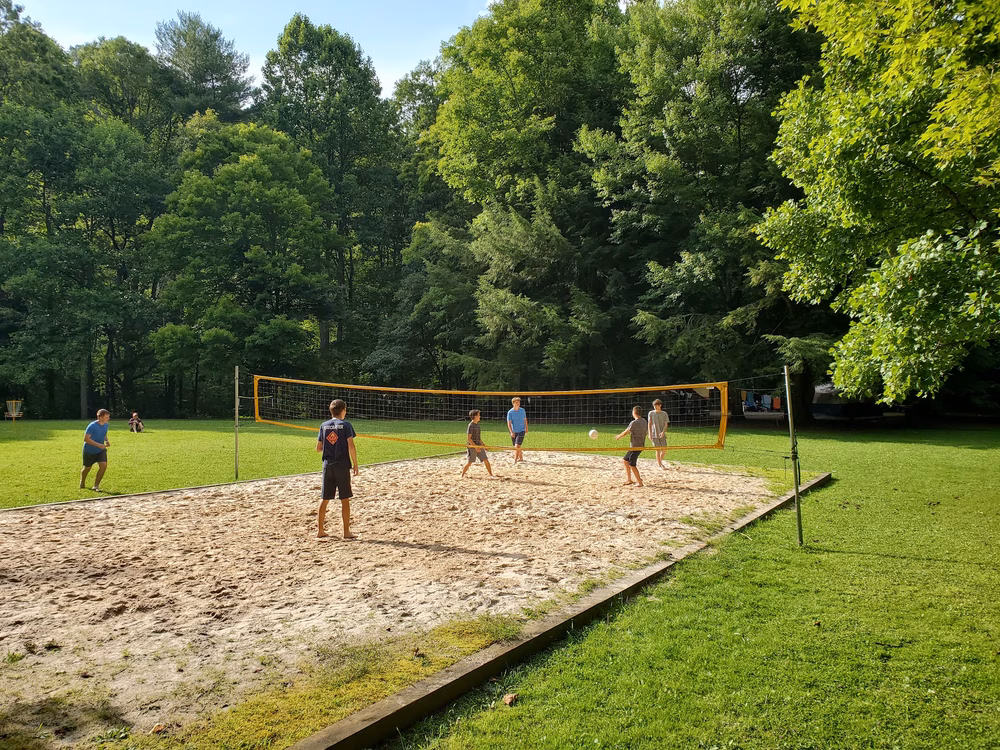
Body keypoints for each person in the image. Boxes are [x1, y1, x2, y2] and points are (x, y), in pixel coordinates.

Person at [316, 399, 359, 540]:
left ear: (331, 411)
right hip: (342, 466)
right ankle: (346, 532)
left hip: (328, 466)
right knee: (344, 499)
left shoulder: (323, 425)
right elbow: (351, 446)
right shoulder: (346, 425)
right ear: (343, 410)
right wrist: (355, 464)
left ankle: (320, 530)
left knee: (324, 499)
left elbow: (318, 448)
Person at [615, 405, 647, 487]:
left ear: (634, 413)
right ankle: (629, 480)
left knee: (632, 464)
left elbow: (626, 432)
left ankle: (640, 482)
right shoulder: (644, 421)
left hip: (635, 446)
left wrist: (618, 436)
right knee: (625, 460)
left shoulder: (634, 423)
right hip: (639, 445)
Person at [80, 409, 111, 491]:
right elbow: (86, 439)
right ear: (100, 417)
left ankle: (96, 486)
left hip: (100, 450)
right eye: (106, 417)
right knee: (87, 468)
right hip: (89, 450)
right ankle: (82, 481)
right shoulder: (92, 426)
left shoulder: (106, 425)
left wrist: (106, 440)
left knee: (103, 466)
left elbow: (104, 434)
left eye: (108, 417)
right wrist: (98, 445)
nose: (108, 418)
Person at [462, 409, 495, 478]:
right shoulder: (471, 425)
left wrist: (484, 446)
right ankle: (462, 475)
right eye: (478, 415)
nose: (480, 416)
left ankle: (491, 474)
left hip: (478, 446)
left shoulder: (477, 425)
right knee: (470, 462)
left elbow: (479, 438)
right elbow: (469, 439)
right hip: (472, 447)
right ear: (474, 416)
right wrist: (475, 447)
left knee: (486, 459)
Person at [647, 398, 670, 470]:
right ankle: (659, 464)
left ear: (660, 405)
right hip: (654, 434)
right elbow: (649, 424)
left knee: (664, 449)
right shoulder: (651, 413)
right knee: (657, 450)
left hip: (662, 433)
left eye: (657, 405)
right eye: (654, 406)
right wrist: (650, 433)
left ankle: (660, 462)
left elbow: (666, 424)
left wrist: (663, 432)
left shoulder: (664, 413)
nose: (655, 407)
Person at [506, 396, 528, 463]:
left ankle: (515, 460)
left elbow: (525, 420)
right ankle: (520, 458)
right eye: (516, 402)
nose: (518, 403)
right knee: (517, 445)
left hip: (522, 430)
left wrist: (526, 428)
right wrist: (511, 432)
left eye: (519, 402)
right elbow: (509, 423)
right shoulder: (510, 412)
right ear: (513, 403)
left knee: (517, 445)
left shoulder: (522, 410)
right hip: (514, 431)